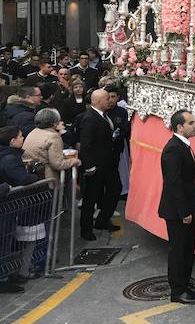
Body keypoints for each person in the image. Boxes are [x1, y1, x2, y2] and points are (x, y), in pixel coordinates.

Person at [158, 110, 195, 305]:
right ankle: (177, 291)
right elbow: (174, 183)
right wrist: (184, 211)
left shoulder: (183, 145)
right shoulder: (173, 149)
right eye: (191, 123)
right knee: (178, 250)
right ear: (179, 127)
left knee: (187, 248)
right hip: (178, 211)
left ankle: (185, 283)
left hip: (186, 207)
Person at [0, 126, 41, 289]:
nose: (23, 138)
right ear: (12, 141)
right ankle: (3, 278)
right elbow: (22, 178)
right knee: (4, 241)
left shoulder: (8, 156)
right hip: (6, 206)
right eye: (20, 136)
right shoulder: (9, 158)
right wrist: (35, 175)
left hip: (8, 205)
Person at [79, 89, 122, 241]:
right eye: (106, 99)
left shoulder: (103, 115)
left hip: (108, 163)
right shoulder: (90, 118)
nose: (109, 101)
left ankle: (102, 220)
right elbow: (86, 145)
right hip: (96, 166)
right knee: (91, 198)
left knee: (115, 189)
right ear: (97, 101)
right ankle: (86, 229)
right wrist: (89, 166)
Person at [22, 107, 81, 181]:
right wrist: (75, 161)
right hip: (47, 178)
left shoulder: (33, 132)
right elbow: (57, 164)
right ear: (55, 122)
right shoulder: (53, 136)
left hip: (31, 173)